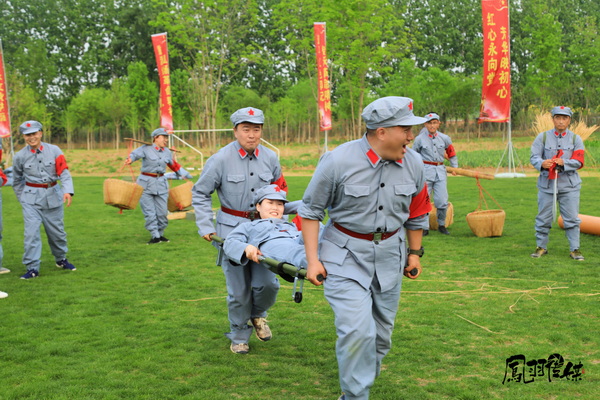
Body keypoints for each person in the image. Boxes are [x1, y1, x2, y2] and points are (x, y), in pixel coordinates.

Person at [299, 96, 431, 400]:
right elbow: (310, 212)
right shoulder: (337, 161)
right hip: (343, 256)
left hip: (391, 256)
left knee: (381, 338)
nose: (412, 136)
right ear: (381, 131)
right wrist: (313, 260)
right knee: (358, 332)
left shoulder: (414, 163)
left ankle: (360, 378)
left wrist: (414, 253)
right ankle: (355, 395)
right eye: (406, 129)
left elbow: (417, 213)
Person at [192, 107, 289, 354]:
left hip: (264, 232)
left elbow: (279, 192)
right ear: (235, 131)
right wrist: (205, 224)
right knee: (238, 290)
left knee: (268, 284)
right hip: (231, 232)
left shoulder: (270, 158)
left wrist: (283, 221)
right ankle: (238, 334)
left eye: (256, 129)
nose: (251, 134)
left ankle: (257, 315)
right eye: (246, 129)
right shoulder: (220, 159)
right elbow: (200, 192)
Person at [12, 120, 75, 279]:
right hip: (30, 200)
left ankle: (61, 259)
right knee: (31, 234)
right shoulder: (19, 156)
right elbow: (17, 180)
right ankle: (32, 268)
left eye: (34, 134)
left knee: (57, 233)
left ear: (40, 133)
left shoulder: (54, 150)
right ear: (24, 137)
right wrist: (23, 199)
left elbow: (64, 172)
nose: (31, 137)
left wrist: (67, 191)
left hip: (53, 197)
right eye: (28, 135)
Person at [530, 106, 585, 261]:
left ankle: (575, 249)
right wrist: (542, 163)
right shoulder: (542, 138)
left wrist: (564, 162)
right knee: (543, 217)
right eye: (558, 118)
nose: (561, 121)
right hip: (546, 185)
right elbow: (534, 157)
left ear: (569, 120)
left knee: (572, 219)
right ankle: (541, 247)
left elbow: (579, 161)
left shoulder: (576, 139)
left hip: (569, 186)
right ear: (553, 119)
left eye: (564, 118)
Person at [223, 184, 307, 276]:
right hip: (275, 242)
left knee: (318, 228)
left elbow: (308, 205)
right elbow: (230, 241)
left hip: (297, 236)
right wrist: (246, 247)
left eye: (280, 204)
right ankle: (320, 263)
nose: (275, 207)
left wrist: (278, 210)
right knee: (300, 253)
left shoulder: (289, 224)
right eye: (270, 203)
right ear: (258, 207)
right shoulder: (249, 226)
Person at [125, 128, 183, 244]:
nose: (166, 140)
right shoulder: (145, 149)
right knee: (150, 212)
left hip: (161, 184)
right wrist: (130, 159)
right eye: (163, 137)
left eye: (167, 137)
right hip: (145, 185)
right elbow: (134, 154)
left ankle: (160, 234)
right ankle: (155, 235)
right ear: (156, 138)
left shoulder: (167, 152)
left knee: (162, 213)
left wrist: (184, 175)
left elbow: (173, 165)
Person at [412, 112, 458, 235]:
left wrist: (455, 168)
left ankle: (441, 225)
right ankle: (424, 227)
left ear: (438, 124)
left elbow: (452, 153)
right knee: (424, 201)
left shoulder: (445, 138)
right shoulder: (419, 139)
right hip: (425, 172)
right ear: (425, 124)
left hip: (440, 171)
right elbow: (413, 156)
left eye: (434, 123)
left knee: (442, 201)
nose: (432, 125)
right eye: (429, 123)